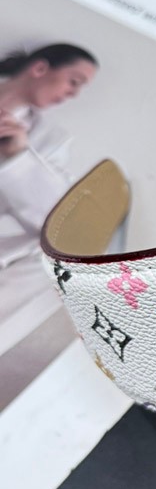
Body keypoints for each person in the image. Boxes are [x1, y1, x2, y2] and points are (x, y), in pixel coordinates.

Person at [0, 44, 97, 350]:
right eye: (74, 81)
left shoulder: (49, 141)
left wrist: (17, 155)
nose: (73, 94)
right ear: (40, 68)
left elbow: (54, 224)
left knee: (58, 260)